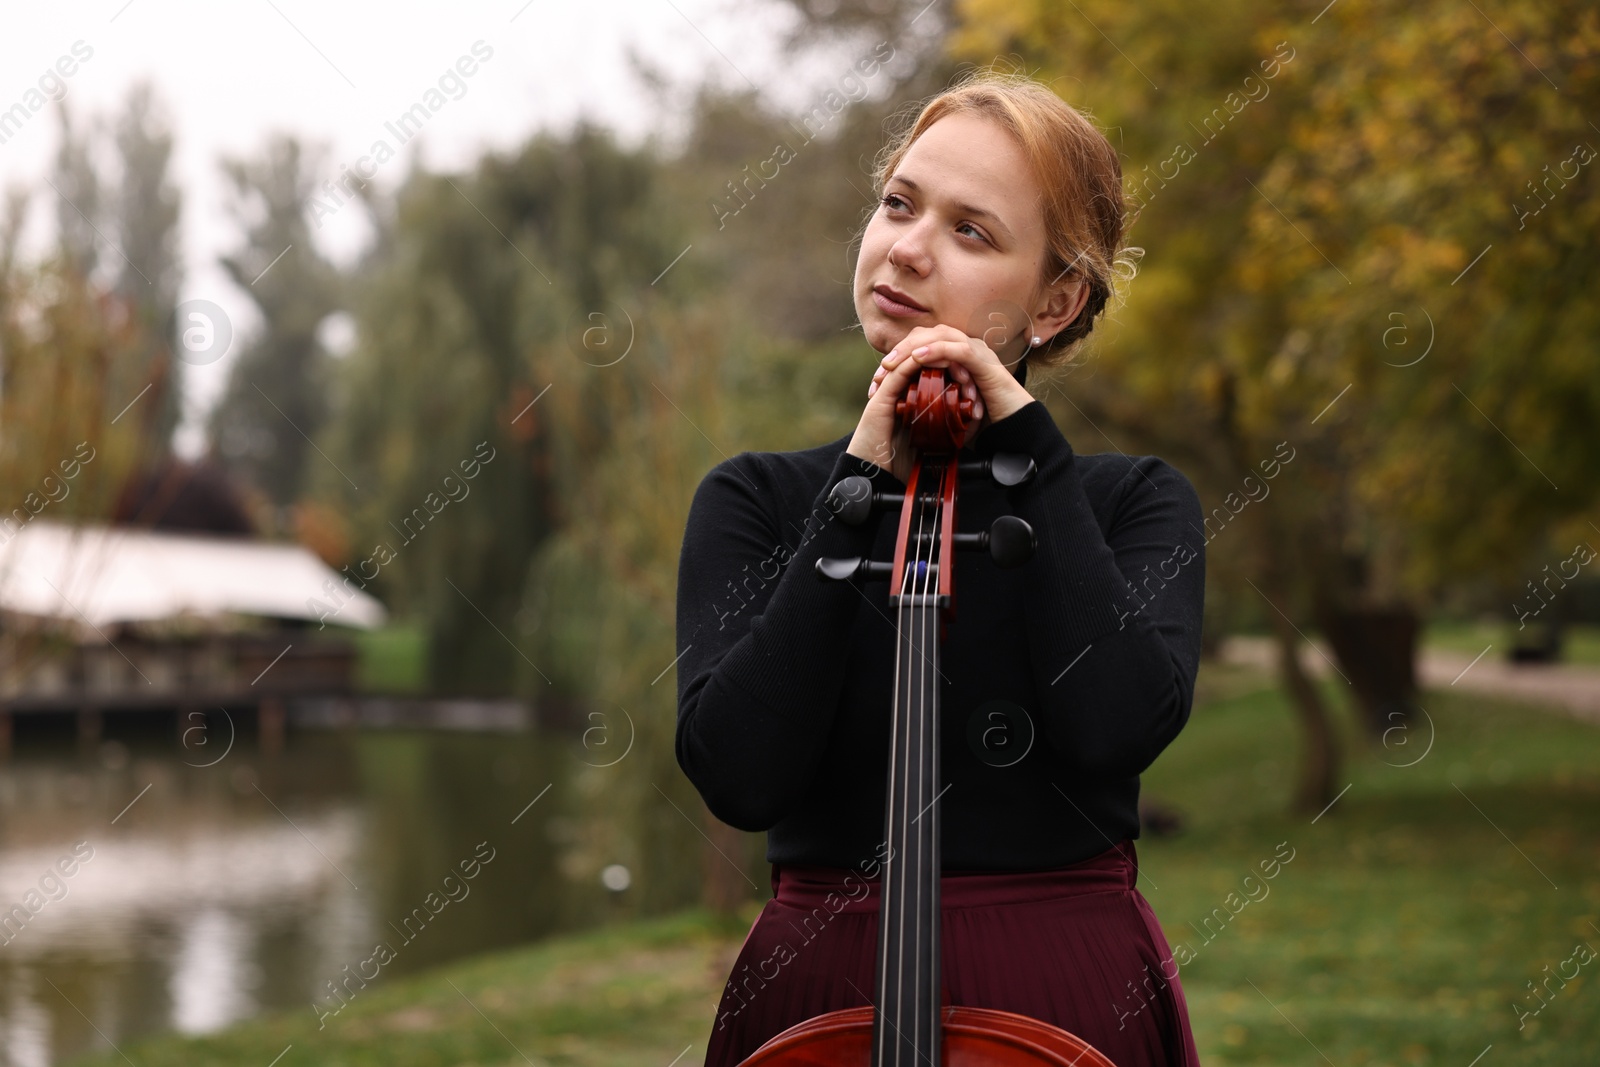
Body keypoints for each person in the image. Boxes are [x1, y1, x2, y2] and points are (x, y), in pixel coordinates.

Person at [674, 68, 1206, 1067]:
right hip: (815, 990)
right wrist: (855, 486)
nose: (907, 248)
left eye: (971, 231)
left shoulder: (1129, 501)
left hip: (1064, 988)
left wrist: (1031, 453)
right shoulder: (755, 499)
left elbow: (1116, 724)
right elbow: (739, 776)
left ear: (1056, 298)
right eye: (898, 204)